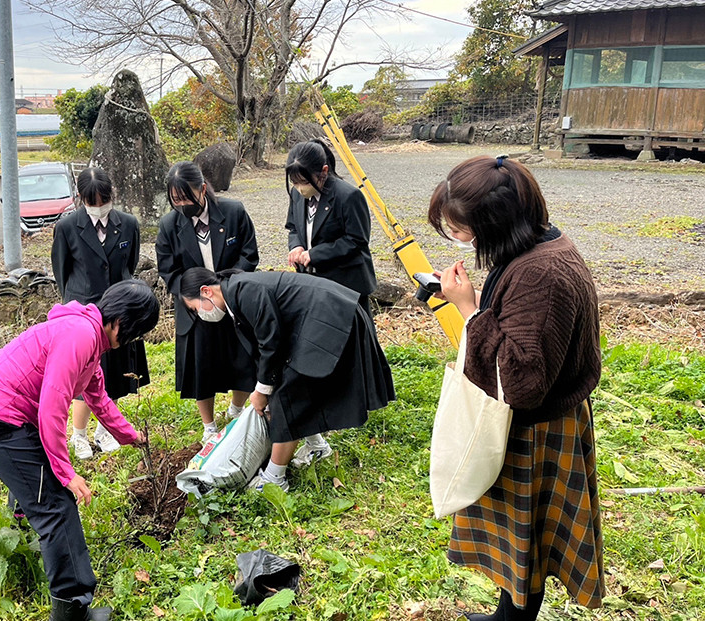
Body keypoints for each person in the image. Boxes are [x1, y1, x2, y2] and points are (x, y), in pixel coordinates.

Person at [428, 156, 604, 621]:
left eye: (461, 228)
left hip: (540, 428)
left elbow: (522, 382)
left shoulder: (539, 274)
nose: (458, 237)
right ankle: (509, 614)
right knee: (524, 539)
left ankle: (514, 620)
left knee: (531, 538)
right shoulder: (537, 246)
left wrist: (469, 311)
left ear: (494, 223)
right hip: (543, 420)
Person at [0, 280, 158, 621]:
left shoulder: (89, 338)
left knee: (35, 487)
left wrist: (130, 436)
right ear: (122, 323)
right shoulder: (79, 336)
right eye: (135, 333)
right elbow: (52, 408)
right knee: (56, 506)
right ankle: (72, 610)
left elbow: (98, 397)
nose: (131, 342)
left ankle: (25, 547)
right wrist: (67, 474)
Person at [180, 268, 394, 491]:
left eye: (195, 309)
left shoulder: (244, 290)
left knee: (287, 395)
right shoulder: (236, 292)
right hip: (321, 317)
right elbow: (266, 344)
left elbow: (270, 342)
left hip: (332, 317)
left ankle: (274, 479)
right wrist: (264, 387)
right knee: (289, 388)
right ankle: (317, 445)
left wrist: (262, 390)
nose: (200, 315)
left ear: (206, 292)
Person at [155, 161, 258, 443]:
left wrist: (224, 289)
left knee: (243, 358)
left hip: (232, 299)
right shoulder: (169, 225)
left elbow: (249, 256)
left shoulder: (233, 212)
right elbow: (169, 271)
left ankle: (236, 410)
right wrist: (195, 297)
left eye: (187, 197)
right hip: (196, 308)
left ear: (202, 189)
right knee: (202, 365)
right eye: (175, 200)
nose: (182, 204)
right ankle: (209, 425)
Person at [52, 167, 149, 459]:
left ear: (112, 195)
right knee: (85, 375)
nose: (99, 206)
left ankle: (105, 430)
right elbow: (62, 272)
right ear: (81, 198)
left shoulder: (128, 224)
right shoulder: (67, 227)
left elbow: (128, 265)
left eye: (103, 199)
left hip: (119, 311)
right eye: (92, 201)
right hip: (83, 313)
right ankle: (79, 434)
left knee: (116, 372)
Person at [284, 138, 377, 314]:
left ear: (324, 172)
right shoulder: (297, 195)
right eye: (294, 183)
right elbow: (293, 227)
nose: (300, 189)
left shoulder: (348, 196)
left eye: (304, 182)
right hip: (312, 282)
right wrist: (296, 245)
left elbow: (357, 241)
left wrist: (315, 254)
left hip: (346, 284)